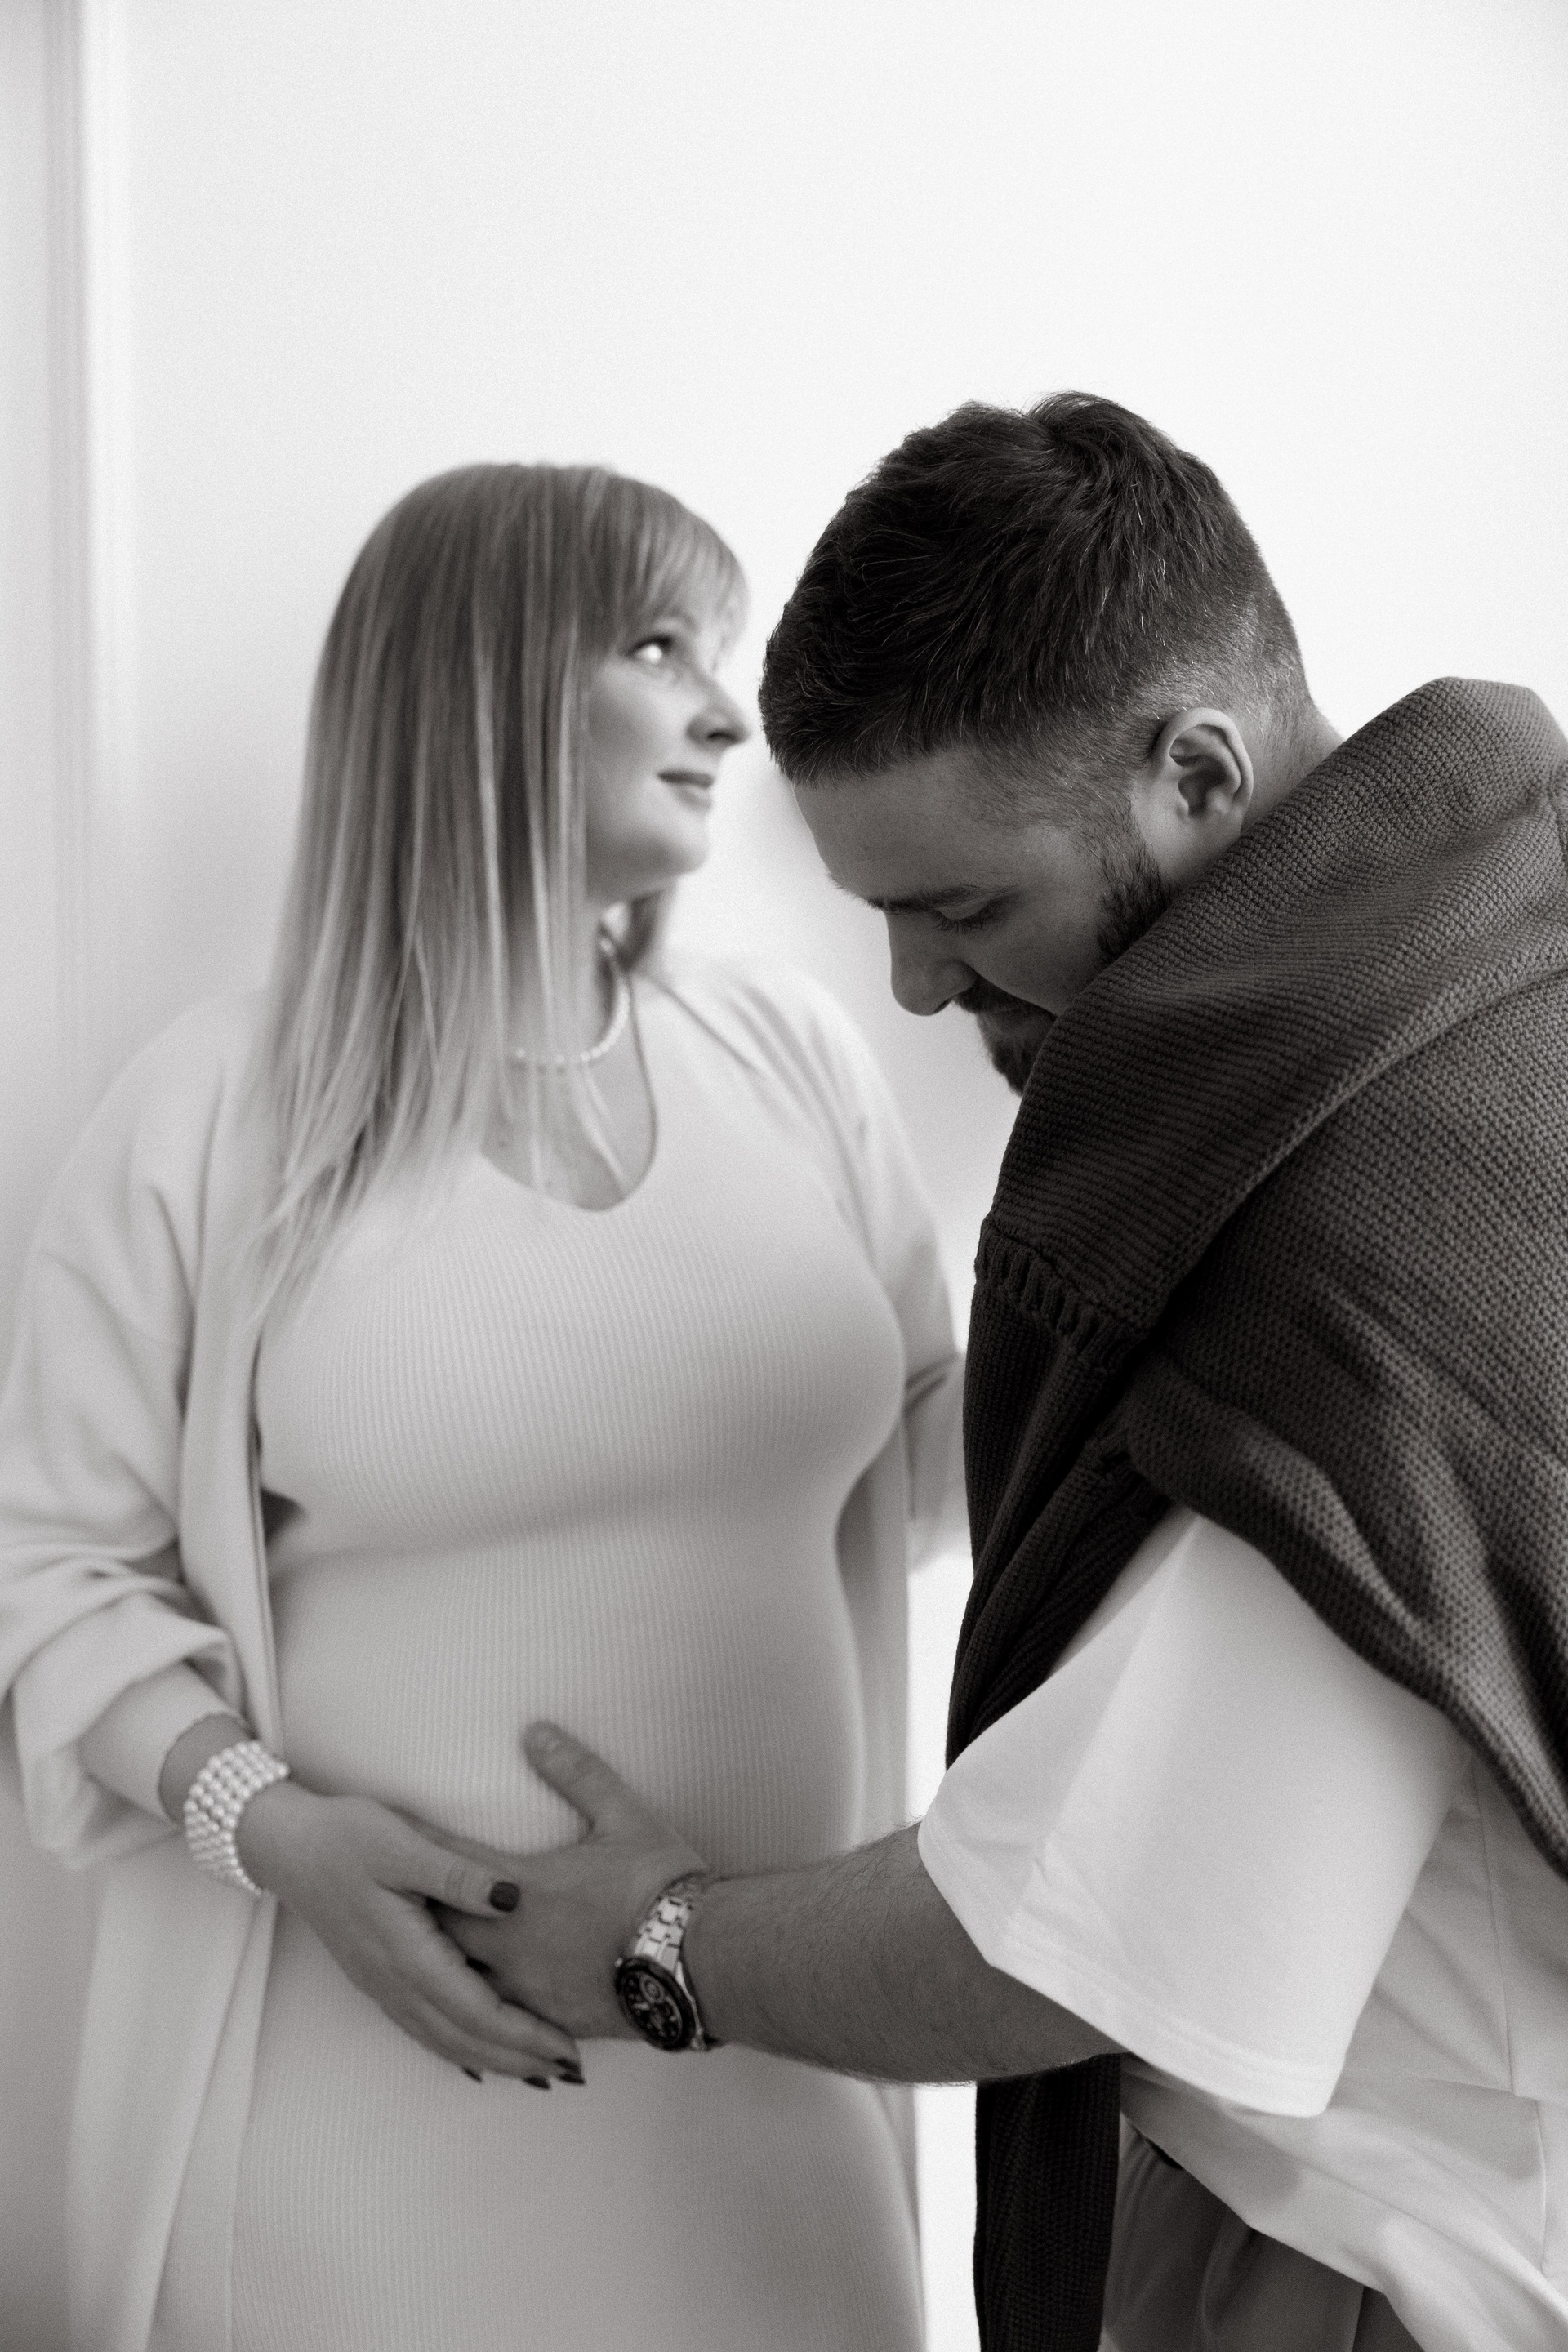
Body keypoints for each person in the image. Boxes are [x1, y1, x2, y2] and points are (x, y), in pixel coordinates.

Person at [431, 397, 1568, 2352]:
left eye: (961, 909)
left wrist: (659, 1942)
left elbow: (1069, 1944)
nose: (914, 988)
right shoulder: (1509, 976)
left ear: (1198, 776)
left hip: (1383, 2268)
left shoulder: (1322, 1268)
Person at [0, 461, 964, 2352]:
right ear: (485, 682)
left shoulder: (793, 1058)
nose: (730, 715)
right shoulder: (217, 1111)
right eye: (662, 647)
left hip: (772, 2072)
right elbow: (52, 1574)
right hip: (370, 2108)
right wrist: (276, 1831)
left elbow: (931, 1460)